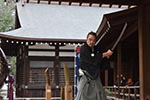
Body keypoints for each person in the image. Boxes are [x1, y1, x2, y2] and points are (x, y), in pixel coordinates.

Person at [75, 31, 113, 100]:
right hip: (85, 76)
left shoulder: (97, 49)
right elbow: (92, 60)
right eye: (90, 39)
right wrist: (104, 54)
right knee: (82, 94)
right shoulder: (83, 49)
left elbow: (100, 62)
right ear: (86, 39)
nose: (91, 42)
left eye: (93, 40)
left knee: (100, 93)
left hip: (95, 77)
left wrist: (106, 57)